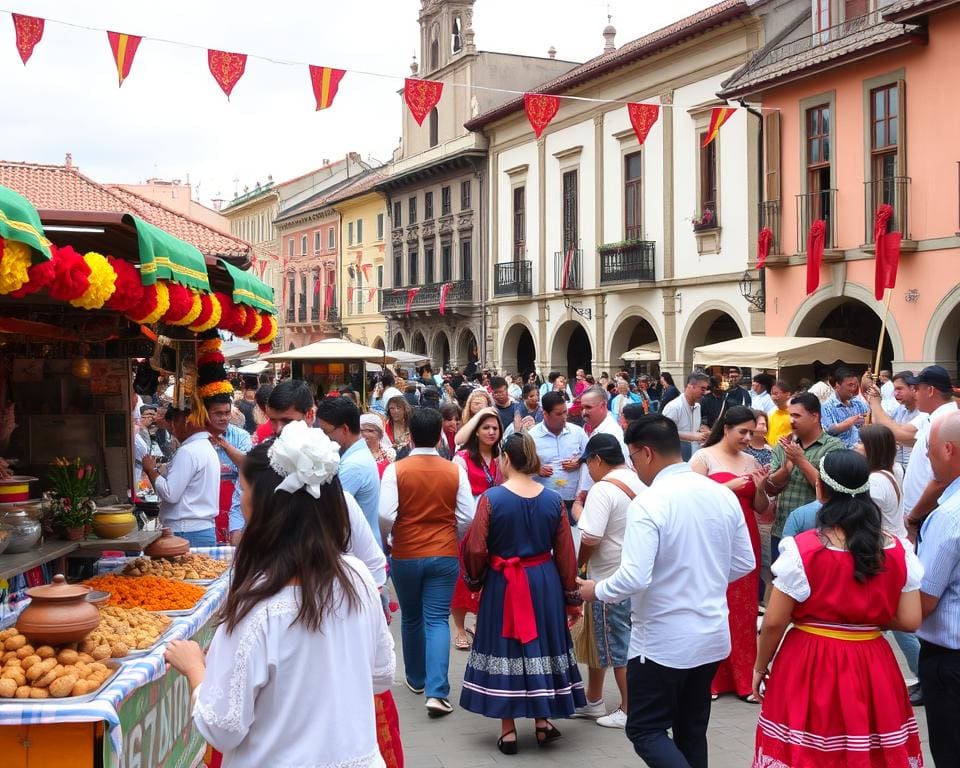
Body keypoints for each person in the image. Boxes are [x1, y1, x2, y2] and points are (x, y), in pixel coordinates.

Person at [164, 422, 397, 768]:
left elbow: (222, 727)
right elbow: (381, 674)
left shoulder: (257, 605)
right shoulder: (358, 577)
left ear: (266, 508)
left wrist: (195, 667)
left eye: (243, 491)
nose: (240, 501)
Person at [578, 416, 755, 768]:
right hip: (711, 634)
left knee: (645, 730)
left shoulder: (651, 501)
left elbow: (634, 578)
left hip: (663, 641)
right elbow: (744, 563)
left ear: (646, 453)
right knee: (690, 729)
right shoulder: (721, 494)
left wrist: (595, 589)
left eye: (632, 457)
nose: (633, 466)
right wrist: (705, 576)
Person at [752, 450, 923, 768]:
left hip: (810, 659)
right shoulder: (898, 550)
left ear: (821, 489)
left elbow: (774, 620)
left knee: (809, 744)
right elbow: (911, 620)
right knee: (869, 746)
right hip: (872, 660)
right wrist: (866, 613)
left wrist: (760, 665)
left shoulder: (802, 550)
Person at [460, 432, 585, 753]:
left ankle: (509, 729)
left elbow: (475, 547)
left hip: (504, 582)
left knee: (506, 647)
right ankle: (542, 721)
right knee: (540, 644)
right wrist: (570, 595)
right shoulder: (553, 500)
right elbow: (566, 553)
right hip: (543, 580)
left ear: (505, 459)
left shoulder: (491, 498)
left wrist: (475, 580)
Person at [379, 408, 474, 718]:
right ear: (438, 436)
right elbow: (467, 516)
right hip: (444, 551)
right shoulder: (454, 470)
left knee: (411, 617)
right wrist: (452, 532)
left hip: (406, 552)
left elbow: (385, 514)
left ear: (410, 435)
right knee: (436, 619)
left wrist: (390, 537)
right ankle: (437, 691)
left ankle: (416, 678)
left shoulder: (397, 469)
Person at [689, 406, 768, 702]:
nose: (748, 437)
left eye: (752, 432)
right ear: (726, 429)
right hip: (711, 539)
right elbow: (692, 499)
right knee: (712, 604)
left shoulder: (751, 460)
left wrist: (760, 488)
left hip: (746, 535)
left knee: (745, 608)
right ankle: (710, 678)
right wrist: (731, 485)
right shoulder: (703, 458)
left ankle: (745, 678)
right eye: (742, 432)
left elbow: (761, 508)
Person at [574, 433, 645, 729]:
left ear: (597, 459)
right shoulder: (636, 480)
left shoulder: (603, 489)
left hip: (607, 578)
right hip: (634, 574)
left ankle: (629, 709)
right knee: (602, 639)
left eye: (588, 464)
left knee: (617, 646)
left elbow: (591, 535)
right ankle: (594, 700)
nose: (588, 471)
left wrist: (579, 563)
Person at [917, 411, 960, 766]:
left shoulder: (949, 516)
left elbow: (924, 601)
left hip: (950, 662)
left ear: (948, 449)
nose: (926, 456)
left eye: (928, 449)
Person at [764, 392, 844, 559]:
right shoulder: (784, 444)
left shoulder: (833, 447)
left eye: (796, 415)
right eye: (789, 415)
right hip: (781, 530)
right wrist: (785, 470)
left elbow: (832, 489)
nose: (791, 420)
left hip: (820, 533)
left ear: (814, 416)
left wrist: (800, 460)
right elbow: (771, 488)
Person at [451, 408, 504, 651]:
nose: (491, 432)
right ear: (476, 431)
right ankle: (460, 628)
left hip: (496, 524)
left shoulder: (504, 457)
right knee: (465, 577)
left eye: (495, 428)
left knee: (491, 575)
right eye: (486, 427)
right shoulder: (462, 457)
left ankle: (481, 623)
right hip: (469, 523)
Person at [141, 403, 220, 548]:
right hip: (200, 529)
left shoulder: (189, 451)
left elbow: (170, 494)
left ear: (184, 421)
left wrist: (151, 470)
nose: (173, 431)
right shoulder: (206, 447)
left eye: (174, 424)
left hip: (185, 531)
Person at [316, 397, 382, 550]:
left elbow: (329, 511)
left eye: (326, 432)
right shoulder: (354, 456)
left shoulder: (354, 465)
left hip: (359, 552)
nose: (323, 437)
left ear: (344, 429)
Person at [903, 366, 959, 537]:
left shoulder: (944, 423)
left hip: (927, 512)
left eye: (917, 389)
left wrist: (914, 515)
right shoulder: (936, 418)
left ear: (930, 390)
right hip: (923, 512)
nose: (914, 394)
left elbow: (942, 480)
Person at [529, 392, 589, 524]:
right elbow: (521, 467)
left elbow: (590, 455)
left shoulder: (577, 432)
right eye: (558, 414)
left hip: (573, 501)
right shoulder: (531, 437)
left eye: (565, 412)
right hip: (543, 502)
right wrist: (536, 469)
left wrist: (579, 461)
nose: (564, 417)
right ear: (545, 414)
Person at [207, 396, 252, 545]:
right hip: (208, 500)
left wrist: (224, 445)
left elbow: (247, 465)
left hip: (234, 499)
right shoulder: (198, 437)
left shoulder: (241, 436)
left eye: (227, 413)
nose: (224, 418)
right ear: (206, 413)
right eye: (218, 413)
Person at [865, 370, 919, 470]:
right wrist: (875, 401)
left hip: (915, 468)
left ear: (913, 389)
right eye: (894, 389)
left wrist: (876, 403)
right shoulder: (900, 408)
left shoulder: (923, 412)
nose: (896, 393)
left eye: (899, 389)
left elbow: (900, 434)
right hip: (898, 466)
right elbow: (880, 424)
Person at [661, 372, 710, 461]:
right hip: (676, 459)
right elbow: (663, 433)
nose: (704, 392)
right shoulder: (674, 407)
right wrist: (690, 436)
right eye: (702, 389)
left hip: (694, 458)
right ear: (690, 386)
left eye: (706, 389)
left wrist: (703, 432)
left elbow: (694, 431)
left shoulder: (697, 406)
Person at [821, 367, 869, 448]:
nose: (854, 388)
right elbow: (830, 430)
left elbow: (869, 417)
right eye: (850, 385)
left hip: (863, 449)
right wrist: (850, 422)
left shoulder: (858, 402)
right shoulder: (827, 406)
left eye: (855, 385)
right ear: (837, 385)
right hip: (842, 454)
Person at [360, 413, 394, 477]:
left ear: (380, 434)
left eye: (370, 431)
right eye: (361, 430)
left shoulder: (390, 453)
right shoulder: (355, 454)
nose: (364, 434)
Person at [766, 380, 793, 448]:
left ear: (788, 394)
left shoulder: (794, 413)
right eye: (771, 394)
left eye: (776, 393)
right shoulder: (771, 412)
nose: (773, 397)